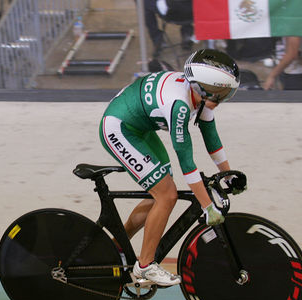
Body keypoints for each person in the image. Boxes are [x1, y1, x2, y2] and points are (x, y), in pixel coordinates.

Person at [99, 49, 245, 286]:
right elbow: (186, 161)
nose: (222, 99)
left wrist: (227, 174)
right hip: (119, 128)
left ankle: (114, 248)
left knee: (160, 193)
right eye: (220, 93)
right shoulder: (180, 105)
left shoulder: (200, 94)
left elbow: (211, 138)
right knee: (167, 194)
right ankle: (144, 266)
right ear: (202, 88)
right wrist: (207, 206)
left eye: (226, 93)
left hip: (140, 129)